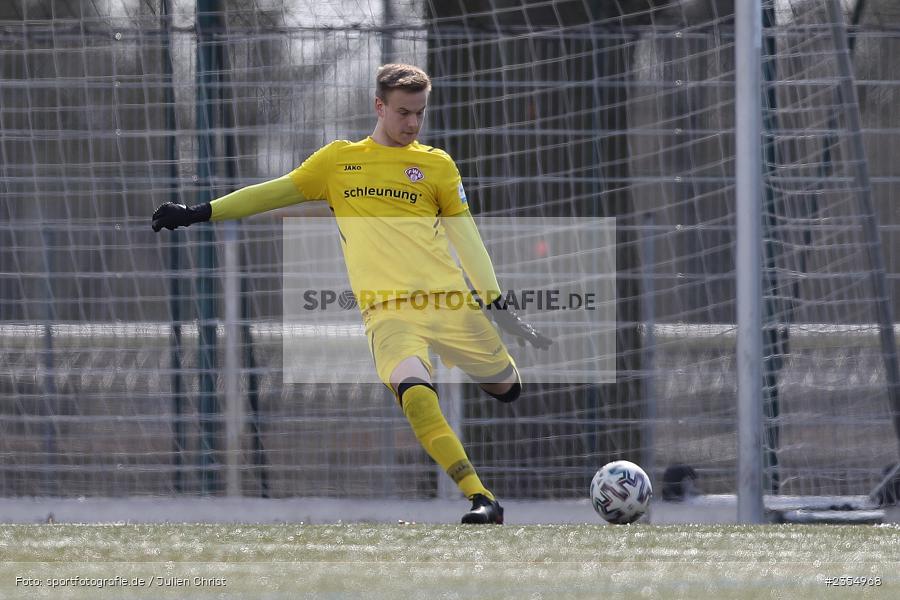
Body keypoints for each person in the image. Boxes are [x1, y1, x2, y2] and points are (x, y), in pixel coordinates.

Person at [152, 63, 551, 524]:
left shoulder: (437, 165)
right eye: (403, 112)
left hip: (449, 304)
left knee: (507, 388)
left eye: (419, 113)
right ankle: (481, 497)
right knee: (417, 396)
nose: (411, 124)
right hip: (388, 313)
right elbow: (270, 193)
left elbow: (468, 238)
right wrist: (197, 213)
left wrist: (496, 304)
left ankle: (484, 369)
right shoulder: (338, 162)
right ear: (379, 106)